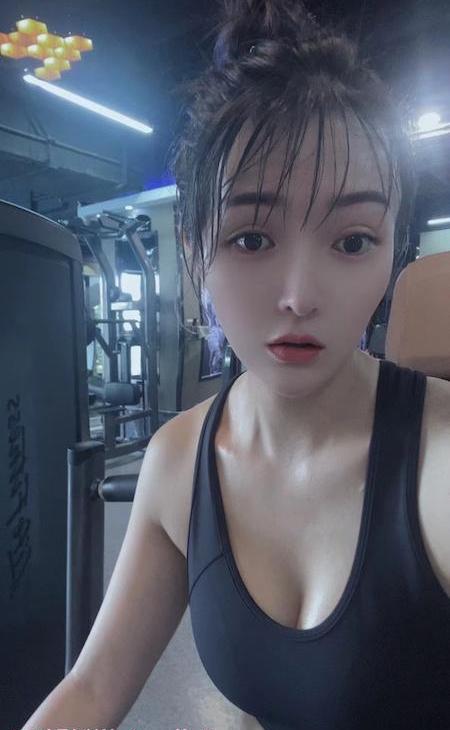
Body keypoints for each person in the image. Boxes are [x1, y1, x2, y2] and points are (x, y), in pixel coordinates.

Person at [21, 1, 450, 729]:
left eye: (352, 242)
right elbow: (91, 691)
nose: (299, 297)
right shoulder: (178, 462)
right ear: (195, 251)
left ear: (392, 254)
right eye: (252, 239)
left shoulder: (440, 457)